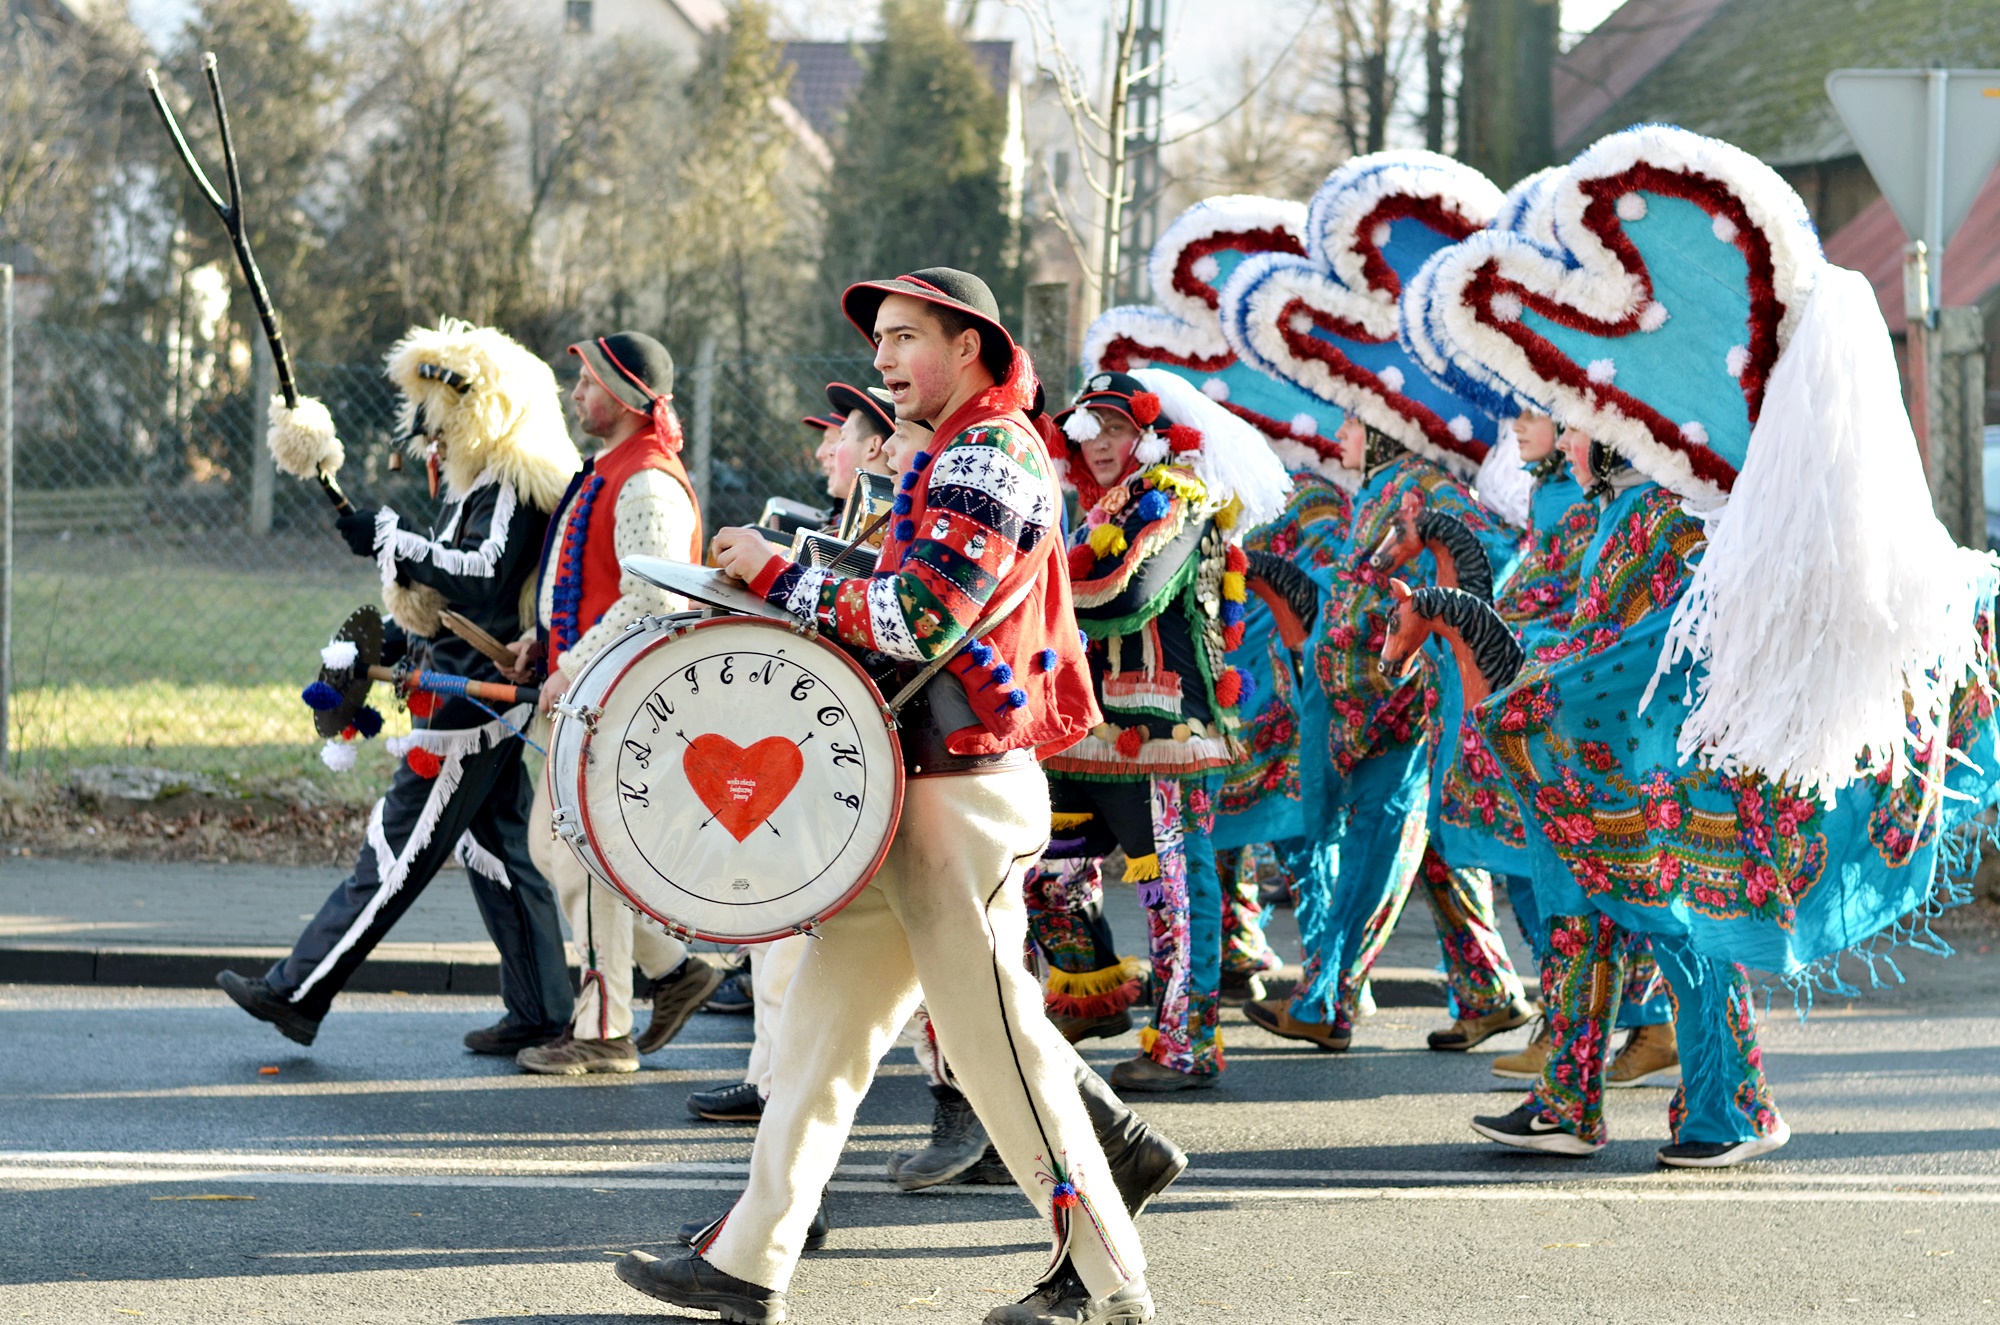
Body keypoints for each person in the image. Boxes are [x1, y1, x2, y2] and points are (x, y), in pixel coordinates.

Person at [612, 268, 1162, 1325]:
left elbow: (920, 613)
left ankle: (1106, 1280)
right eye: (882, 342)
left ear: (971, 348)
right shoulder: (968, 446)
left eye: (905, 337)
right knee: (818, 1038)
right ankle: (746, 1257)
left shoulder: (990, 449)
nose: (885, 359)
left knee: (1001, 1056)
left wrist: (773, 572)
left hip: (958, 801)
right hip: (919, 790)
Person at [218, 319, 578, 1054]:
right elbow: (442, 586)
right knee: (499, 849)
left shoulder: (511, 479)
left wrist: (392, 533)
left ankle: (297, 989)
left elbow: (478, 573)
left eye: (442, 418)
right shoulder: (476, 481)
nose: (429, 434)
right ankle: (543, 1007)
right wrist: (383, 616)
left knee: (393, 848)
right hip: (469, 693)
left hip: (473, 701)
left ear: (479, 408)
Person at [1029, 369, 1290, 1092]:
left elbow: (1126, 593)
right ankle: (1091, 993)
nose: (1102, 444)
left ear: (1149, 435)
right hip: (1087, 731)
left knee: (1173, 892)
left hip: (1163, 730)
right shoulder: (1102, 506)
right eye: (1092, 431)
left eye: (1117, 429)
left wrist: (1027, 592)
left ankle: (1187, 1044)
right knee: (1045, 870)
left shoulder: (1180, 495)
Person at [496, 330, 730, 1075]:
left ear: (628, 395)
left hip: (618, 699)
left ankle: (603, 1030)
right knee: (554, 848)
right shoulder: (611, 470)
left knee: (578, 856)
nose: (576, 393)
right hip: (588, 691)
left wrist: (572, 665)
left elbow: (654, 597)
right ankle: (675, 971)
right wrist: (544, 643)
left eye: (589, 381)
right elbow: (586, 581)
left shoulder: (648, 480)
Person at [686, 379, 898, 1123]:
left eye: (837, 432)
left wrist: (774, 573)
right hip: (819, 752)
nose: (822, 447)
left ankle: (982, 1116)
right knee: (779, 943)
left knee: (960, 989)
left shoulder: (891, 515)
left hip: (861, 761)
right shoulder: (858, 514)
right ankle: (773, 1082)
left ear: (878, 447)